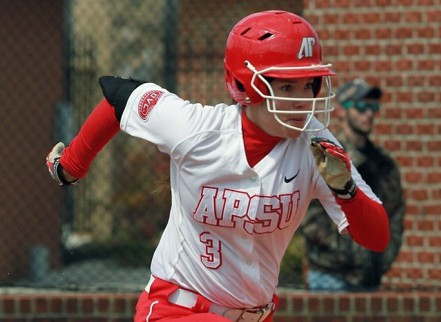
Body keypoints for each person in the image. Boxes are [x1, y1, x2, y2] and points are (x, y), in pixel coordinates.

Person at [45, 11, 390, 322]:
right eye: (286, 86)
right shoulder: (197, 129)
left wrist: (346, 191)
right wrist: (72, 165)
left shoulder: (316, 142)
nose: (302, 100)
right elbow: (119, 96)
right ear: (244, 84)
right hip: (177, 311)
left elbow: (376, 238)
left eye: (308, 84)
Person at [301, 78, 406, 292]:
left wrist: (380, 258)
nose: (368, 113)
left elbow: (394, 215)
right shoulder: (325, 155)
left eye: (373, 107)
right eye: (360, 106)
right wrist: (350, 253)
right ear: (341, 111)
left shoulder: (383, 164)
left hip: (369, 278)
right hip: (329, 275)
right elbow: (309, 219)